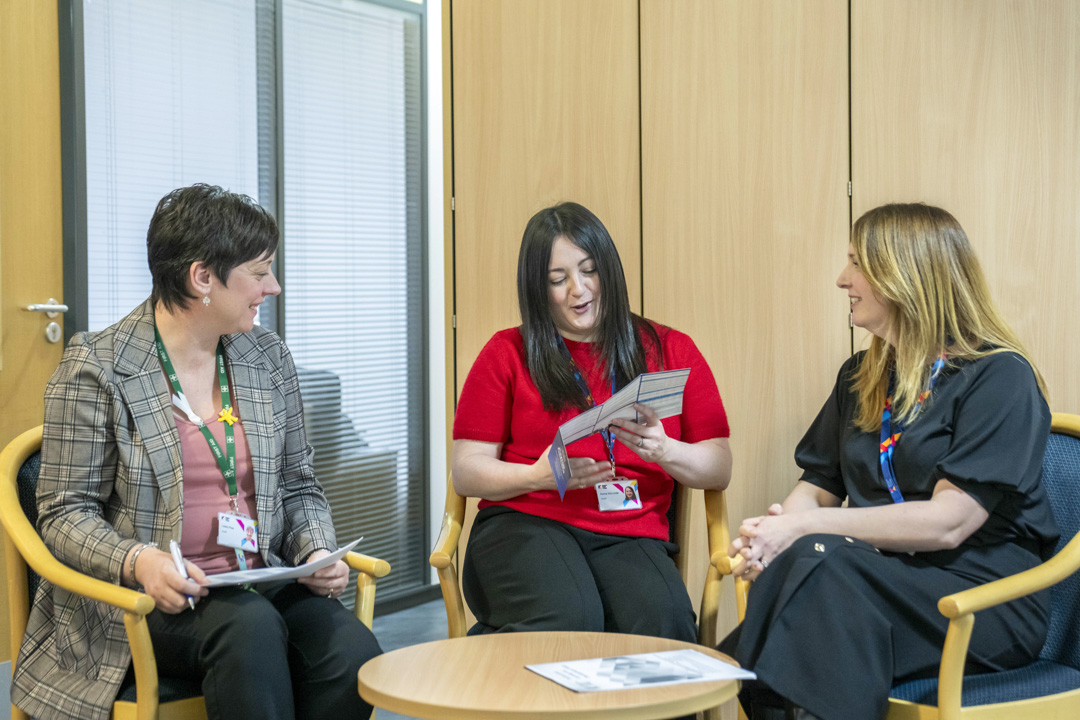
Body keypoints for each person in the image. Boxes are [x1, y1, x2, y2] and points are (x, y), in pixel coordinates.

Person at [12, 184, 382, 720]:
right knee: (248, 631)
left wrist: (313, 550)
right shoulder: (98, 367)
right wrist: (138, 561)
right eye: (259, 274)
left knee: (351, 654)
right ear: (202, 277)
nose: (273, 287)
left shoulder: (267, 358)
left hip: (256, 577)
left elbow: (300, 483)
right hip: (141, 603)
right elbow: (64, 513)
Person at [719, 203, 1059, 720]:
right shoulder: (863, 373)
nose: (842, 279)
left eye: (857, 263)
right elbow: (819, 482)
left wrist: (802, 529)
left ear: (905, 276)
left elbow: (949, 523)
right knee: (814, 570)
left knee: (819, 564)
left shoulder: (1000, 378)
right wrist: (774, 529)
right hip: (873, 583)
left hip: (981, 599)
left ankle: (713, 677)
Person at [452, 201, 732, 643]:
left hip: (628, 531)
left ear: (609, 269)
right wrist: (536, 475)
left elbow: (719, 466)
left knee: (667, 625)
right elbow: (466, 470)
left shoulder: (671, 349)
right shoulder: (506, 352)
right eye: (558, 280)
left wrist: (665, 450)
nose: (579, 290)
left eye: (589, 270)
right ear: (538, 289)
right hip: (525, 522)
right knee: (570, 615)